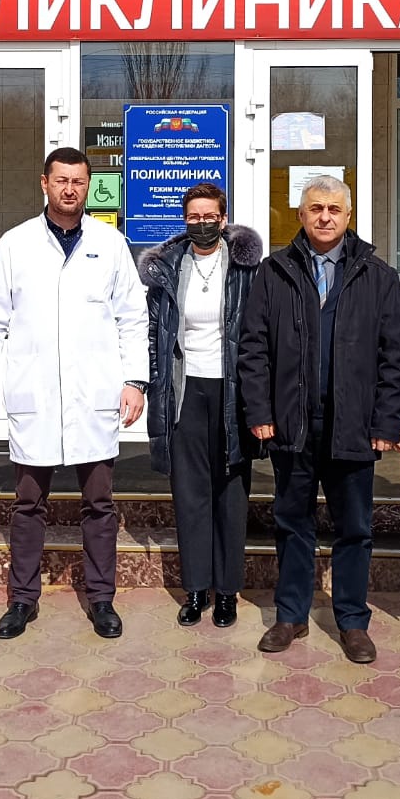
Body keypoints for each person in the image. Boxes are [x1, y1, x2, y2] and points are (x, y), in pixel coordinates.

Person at [0, 147, 149, 641]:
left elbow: (133, 317)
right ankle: (22, 600)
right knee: (28, 503)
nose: (70, 189)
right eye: (62, 180)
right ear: (44, 183)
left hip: (95, 394)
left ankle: (102, 598)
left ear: (88, 186)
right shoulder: (16, 243)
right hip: (36, 395)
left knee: (100, 503)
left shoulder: (110, 243)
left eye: (79, 181)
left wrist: (134, 380)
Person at [239, 175, 400, 664]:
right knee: (292, 522)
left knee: (354, 528)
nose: (325, 217)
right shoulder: (274, 272)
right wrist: (260, 410)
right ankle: (290, 615)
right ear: (301, 214)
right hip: (293, 423)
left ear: (348, 216)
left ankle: (352, 621)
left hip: (352, 425)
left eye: (334, 209)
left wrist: (386, 421)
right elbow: (253, 347)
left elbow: (395, 357)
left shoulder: (377, 276)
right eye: (316, 208)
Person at [140, 182, 262, 629]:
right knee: (190, 494)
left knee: (231, 493)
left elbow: (260, 335)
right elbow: (154, 333)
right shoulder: (170, 267)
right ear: (184, 220)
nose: (202, 223)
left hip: (233, 392)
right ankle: (196, 589)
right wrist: (155, 384)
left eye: (210, 216)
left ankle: (227, 592)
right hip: (185, 391)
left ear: (223, 219)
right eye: (194, 216)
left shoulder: (247, 269)